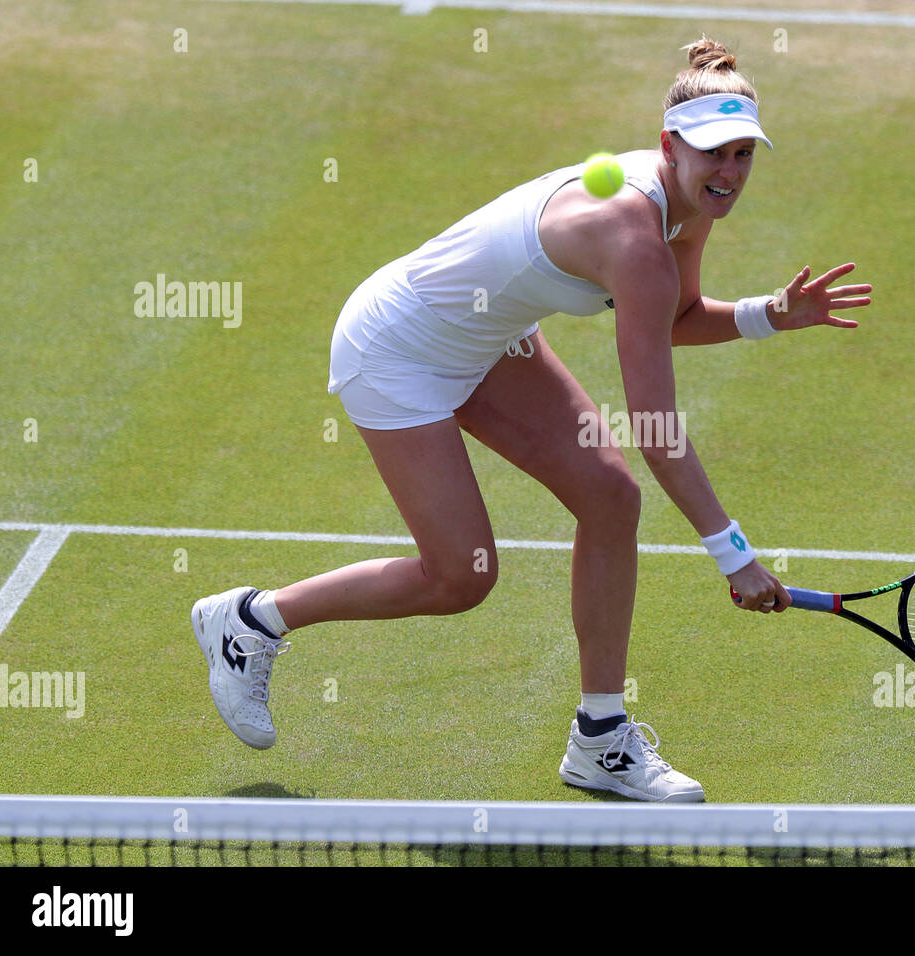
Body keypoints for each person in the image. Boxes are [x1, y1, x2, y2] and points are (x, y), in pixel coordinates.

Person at [192, 37, 871, 803]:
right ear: (669, 146)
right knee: (461, 575)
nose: (730, 173)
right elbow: (657, 426)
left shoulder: (687, 203)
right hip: (397, 350)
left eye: (743, 155)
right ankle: (252, 620)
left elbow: (673, 316)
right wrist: (733, 554)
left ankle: (600, 739)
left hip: (485, 338)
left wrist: (767, 316)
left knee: (611, 496)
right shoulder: (635, 236)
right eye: (715, 154)